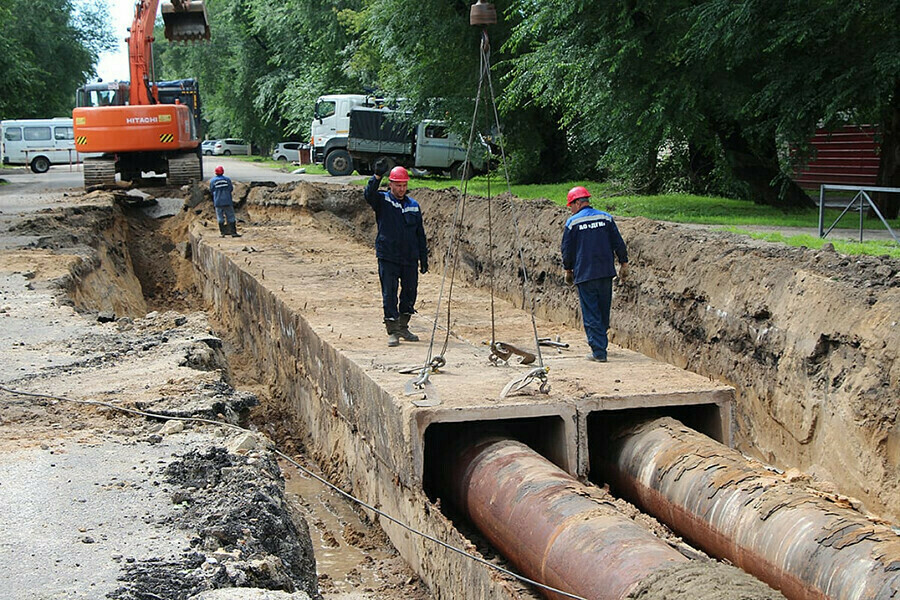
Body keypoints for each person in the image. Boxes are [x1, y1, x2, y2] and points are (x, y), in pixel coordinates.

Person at [364, 160, 429, 347]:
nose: (401, 189)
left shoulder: (413, 206)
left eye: (404, 185)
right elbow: (369, 194)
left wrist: (423, 259)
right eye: (398, 185)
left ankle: (403, 326)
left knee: (410, 292)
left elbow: (420, 234)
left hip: (409, 258)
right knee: (389, 293)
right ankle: (392, 330)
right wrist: (376, 176)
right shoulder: (383, 201)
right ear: (390, 184)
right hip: (388, 256)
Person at [561, 186, 628, 362]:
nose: (571, 209)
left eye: (571, 205)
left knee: (591, 312)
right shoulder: (605, 217)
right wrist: (624, 263)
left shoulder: (572, 223)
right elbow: (618, 242)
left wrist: (568, 270)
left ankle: (599, 352)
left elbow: (567, 250)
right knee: (603, 309)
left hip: (585, 273)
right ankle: (600, 341)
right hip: (605, 272)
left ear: (577, 202)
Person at [209, 165, 241, 238]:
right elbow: (230, 188)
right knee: (231, 216)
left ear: (215, 172)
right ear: (223, 172)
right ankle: (233, 232)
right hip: (227, 201)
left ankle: (222, 233)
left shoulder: (213, 181)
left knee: (220, 217)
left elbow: (211, 190)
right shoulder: (227, 180)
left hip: (218, 202)